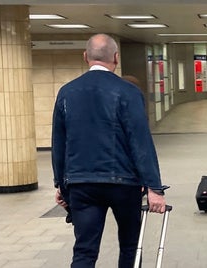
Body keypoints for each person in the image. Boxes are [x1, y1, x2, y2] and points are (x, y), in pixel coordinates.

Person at [52, 33, 167, 268]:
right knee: (130, 246)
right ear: (116, 57)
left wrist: (61, 184)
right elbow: (140, 142)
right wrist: (154, 187)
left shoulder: (67, 92)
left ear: (85, 57)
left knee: (84, 251)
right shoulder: (128, 92)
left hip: (82, 183)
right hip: (124, 184)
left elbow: (59, 142)